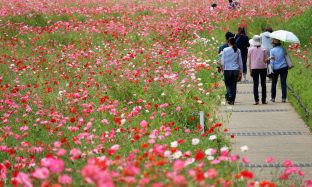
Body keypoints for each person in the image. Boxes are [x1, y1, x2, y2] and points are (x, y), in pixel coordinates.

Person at [221, 37, 243, 105]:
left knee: (227, 84)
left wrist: (222, 71)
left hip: (227, 69)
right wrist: (240, 72)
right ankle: (232, 100)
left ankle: (229, 94)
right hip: (235, 70)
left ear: (229, 42)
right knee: (234, 85)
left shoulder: (225, 50)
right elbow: (240, 62)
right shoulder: (238, 50)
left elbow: (222, 62)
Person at [248, 35, 268, 105]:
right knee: (263, 84)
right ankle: (263, 100)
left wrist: (250, 70)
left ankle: (256, 100)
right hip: (263, 68)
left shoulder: (250, 49)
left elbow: (250, 62)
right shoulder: (264, 49)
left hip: (254, 68)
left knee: (255, 84)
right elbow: (265, 61)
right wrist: (268, 59)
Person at [269, 38, 288, 103]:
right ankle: (284, 98)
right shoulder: (283, 49)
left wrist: (271, 69)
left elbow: (272, 61)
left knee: (274, 83)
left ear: (274, 44)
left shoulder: (272, 50)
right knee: (283, 83)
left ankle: (273, 97)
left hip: (275, 68)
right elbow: (286, 57)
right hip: (284, 67)